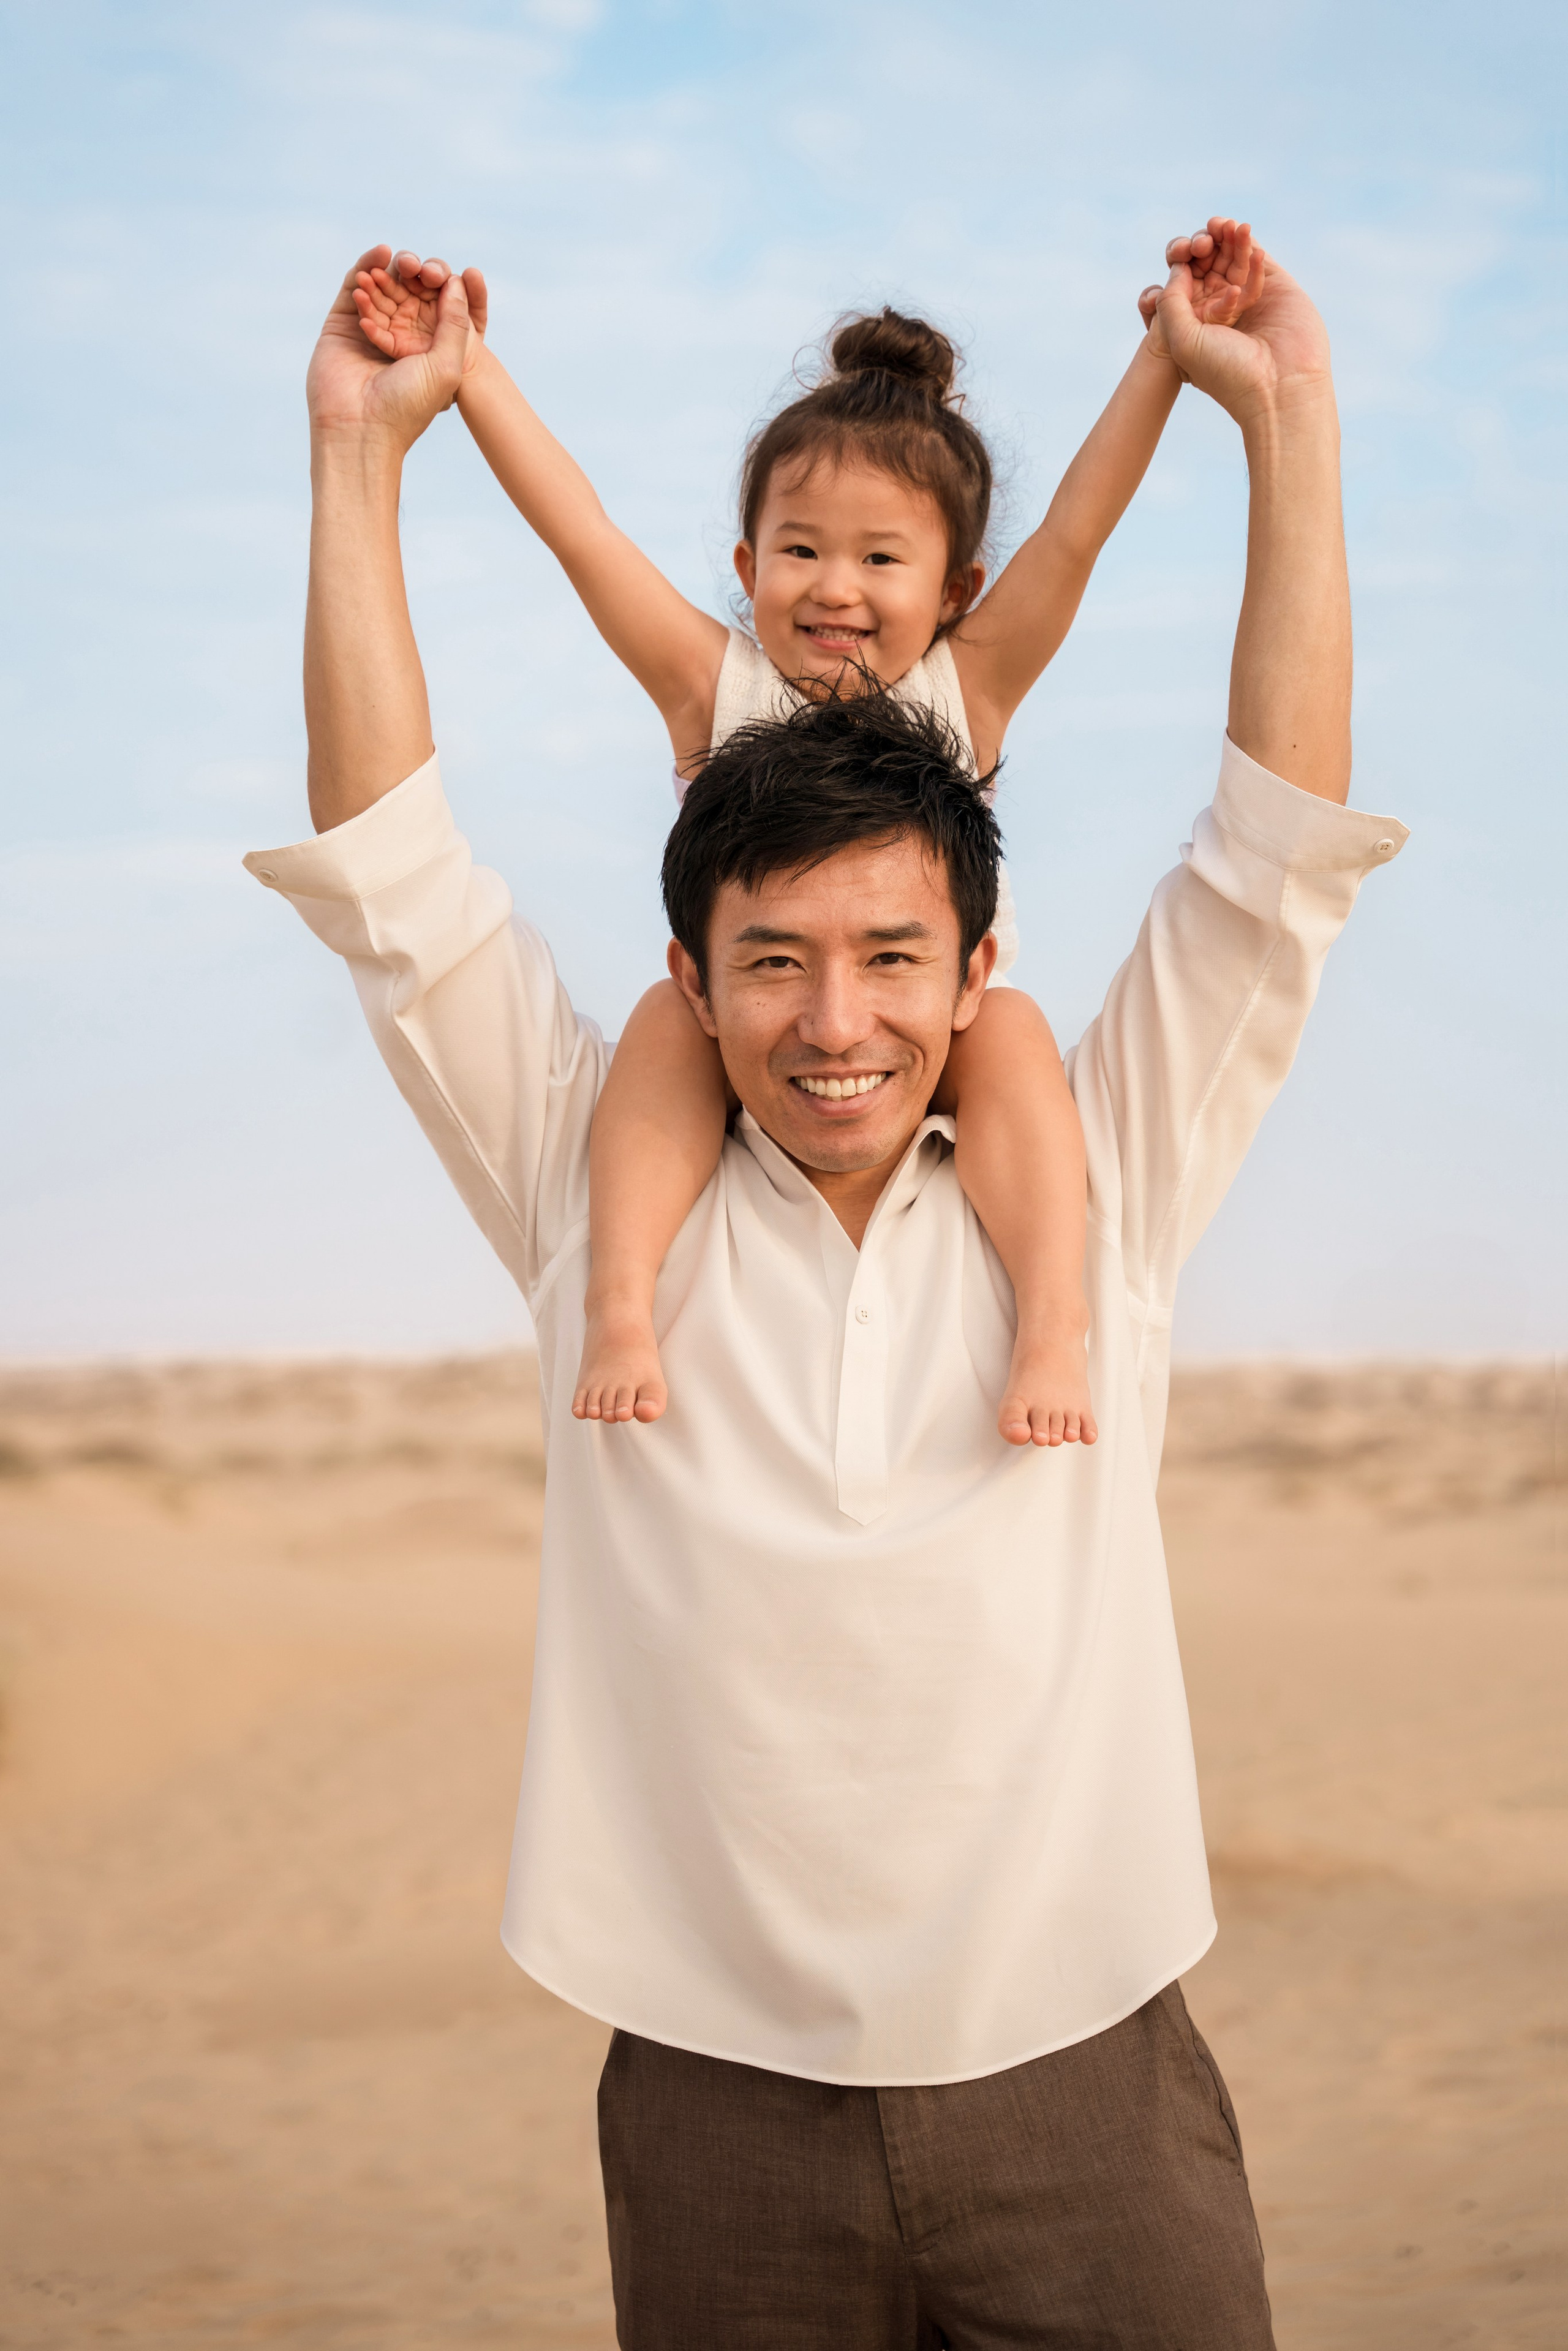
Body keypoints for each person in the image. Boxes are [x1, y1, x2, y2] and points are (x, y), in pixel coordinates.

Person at [249, 224, 1405, 2347]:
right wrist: (361, 457)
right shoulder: (598, 1183)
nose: (835, 1021)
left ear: (980, 972)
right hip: (710, 2090)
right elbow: (395, 877)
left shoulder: (1100, 1180)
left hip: (1087, 2063)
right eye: (772, 962)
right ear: (692, 977)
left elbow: (1273, 854)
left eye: (892, 960)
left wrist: (1284, 422)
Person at [349, 225, 1263, 1449]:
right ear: (744, 563)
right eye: (799, 551)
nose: (835, 587)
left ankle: (1053, 1324)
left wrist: (1167, 356)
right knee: (671, 1015)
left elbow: (1078, 533)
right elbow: (584, 535)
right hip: (751, 1039)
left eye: (880, 558)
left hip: (909, 1037)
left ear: (955, 589)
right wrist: (467, 375)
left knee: (1013, 1027)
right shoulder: (707, 686)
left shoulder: (965, 689)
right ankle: (616, 1305)